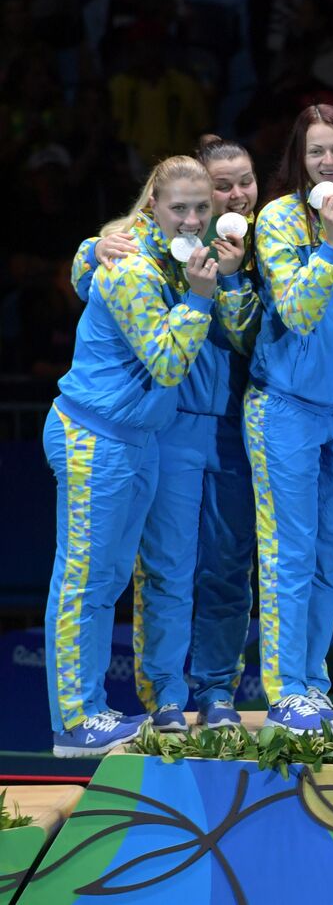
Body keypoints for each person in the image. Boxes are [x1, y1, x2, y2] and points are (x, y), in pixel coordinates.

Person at [46, 156, 234, 756]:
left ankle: (92, 711)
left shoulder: (168, 253)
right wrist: (202, 297)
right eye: (179, 207)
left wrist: (88, 248)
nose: (191, 220)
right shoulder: (129, 264)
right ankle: (75, 720)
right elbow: (169, 361)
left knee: (105, 582)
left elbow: (82, 269)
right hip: (94, 438)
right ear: (152, 202)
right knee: (83, 580)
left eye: (202, 208)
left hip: (140, 440)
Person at [75, 137, 263, 733]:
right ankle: (166, 698)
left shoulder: (267, 245)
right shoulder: (153, 244)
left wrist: (229, 280)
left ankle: (217, 691)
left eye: (243, 183)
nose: (233, 196)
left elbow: (246, 336)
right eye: (220, 187)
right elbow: (93, 272)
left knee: (231, 566)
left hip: (235, 426)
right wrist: (88, 249)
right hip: (173, 425)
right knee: (167, 567)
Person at [246, 104, 333, 733]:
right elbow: (296, 311)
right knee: (288, 554)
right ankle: (283, 688)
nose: (330, 162)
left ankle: (313, 682)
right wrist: (328, 240)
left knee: (327, 558)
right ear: (299, 157)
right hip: (283, 407)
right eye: (317, 151)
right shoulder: (275, 219)